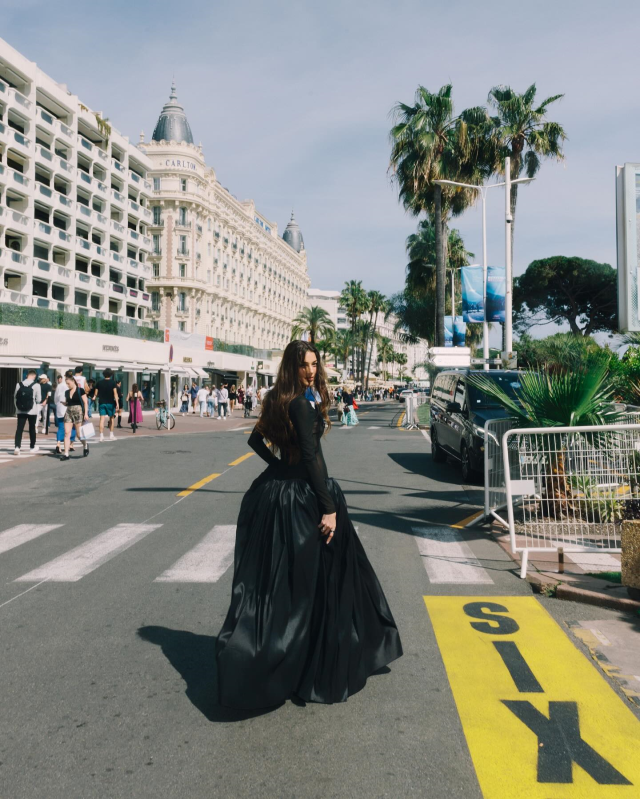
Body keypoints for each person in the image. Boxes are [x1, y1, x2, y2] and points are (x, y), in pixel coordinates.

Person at [216, 340, 402, 709]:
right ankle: (313, 668)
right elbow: (313, 457)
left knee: (290, 583)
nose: (312, 370)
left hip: (278, 493)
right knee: (320, 582)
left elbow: (256, 440)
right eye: (304, 365)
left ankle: (293, 660)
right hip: (305, 497)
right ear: (292, 366)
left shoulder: (279, 398)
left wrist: (278, 467)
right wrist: (328, 507)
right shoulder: (302, 403)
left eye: (315, 364)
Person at [60, 374, 89, 461]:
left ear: (73, 382)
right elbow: (69, 403)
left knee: (79, 434)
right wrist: (65, 403)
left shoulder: (80, 390)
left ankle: (85, 445)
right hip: (68, 412)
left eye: (68, 383)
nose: (67, 385)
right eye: (66, 384)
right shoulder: (67, 392)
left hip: (78, 412)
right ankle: (66, 454)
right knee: (66, 433)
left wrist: (86, 413)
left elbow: (85, 402)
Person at [14, 369, 41, 456]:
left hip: (20, 410)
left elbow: (15, 397)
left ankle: (17, 447)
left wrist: (17, 407)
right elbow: (39, 399)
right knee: (32, 429)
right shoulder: (36, 385)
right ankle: (32, 447)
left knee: (19, 429)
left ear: (27, 375)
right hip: (32, 410)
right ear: (34, 376)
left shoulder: (19, 384)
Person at [95, 368, 119, 441]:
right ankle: (111, 435)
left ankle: (101, 436)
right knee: (111, 418)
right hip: (110, 403)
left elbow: (96, 393)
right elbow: (115, 393)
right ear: (111, 375)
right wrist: (117, 403)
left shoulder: (99, 383)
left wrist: (95, 397)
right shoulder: (113, 383)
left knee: (102, 419)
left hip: (102, 402)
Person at [54, 374, 75, 455]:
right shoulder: (72, 386)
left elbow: (56, 397)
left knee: (61, 427)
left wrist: (57, 403)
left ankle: (58, 443)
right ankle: (71, 444)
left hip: (60, 408)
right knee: (72, 427)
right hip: (69, 408)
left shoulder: (59, 386)